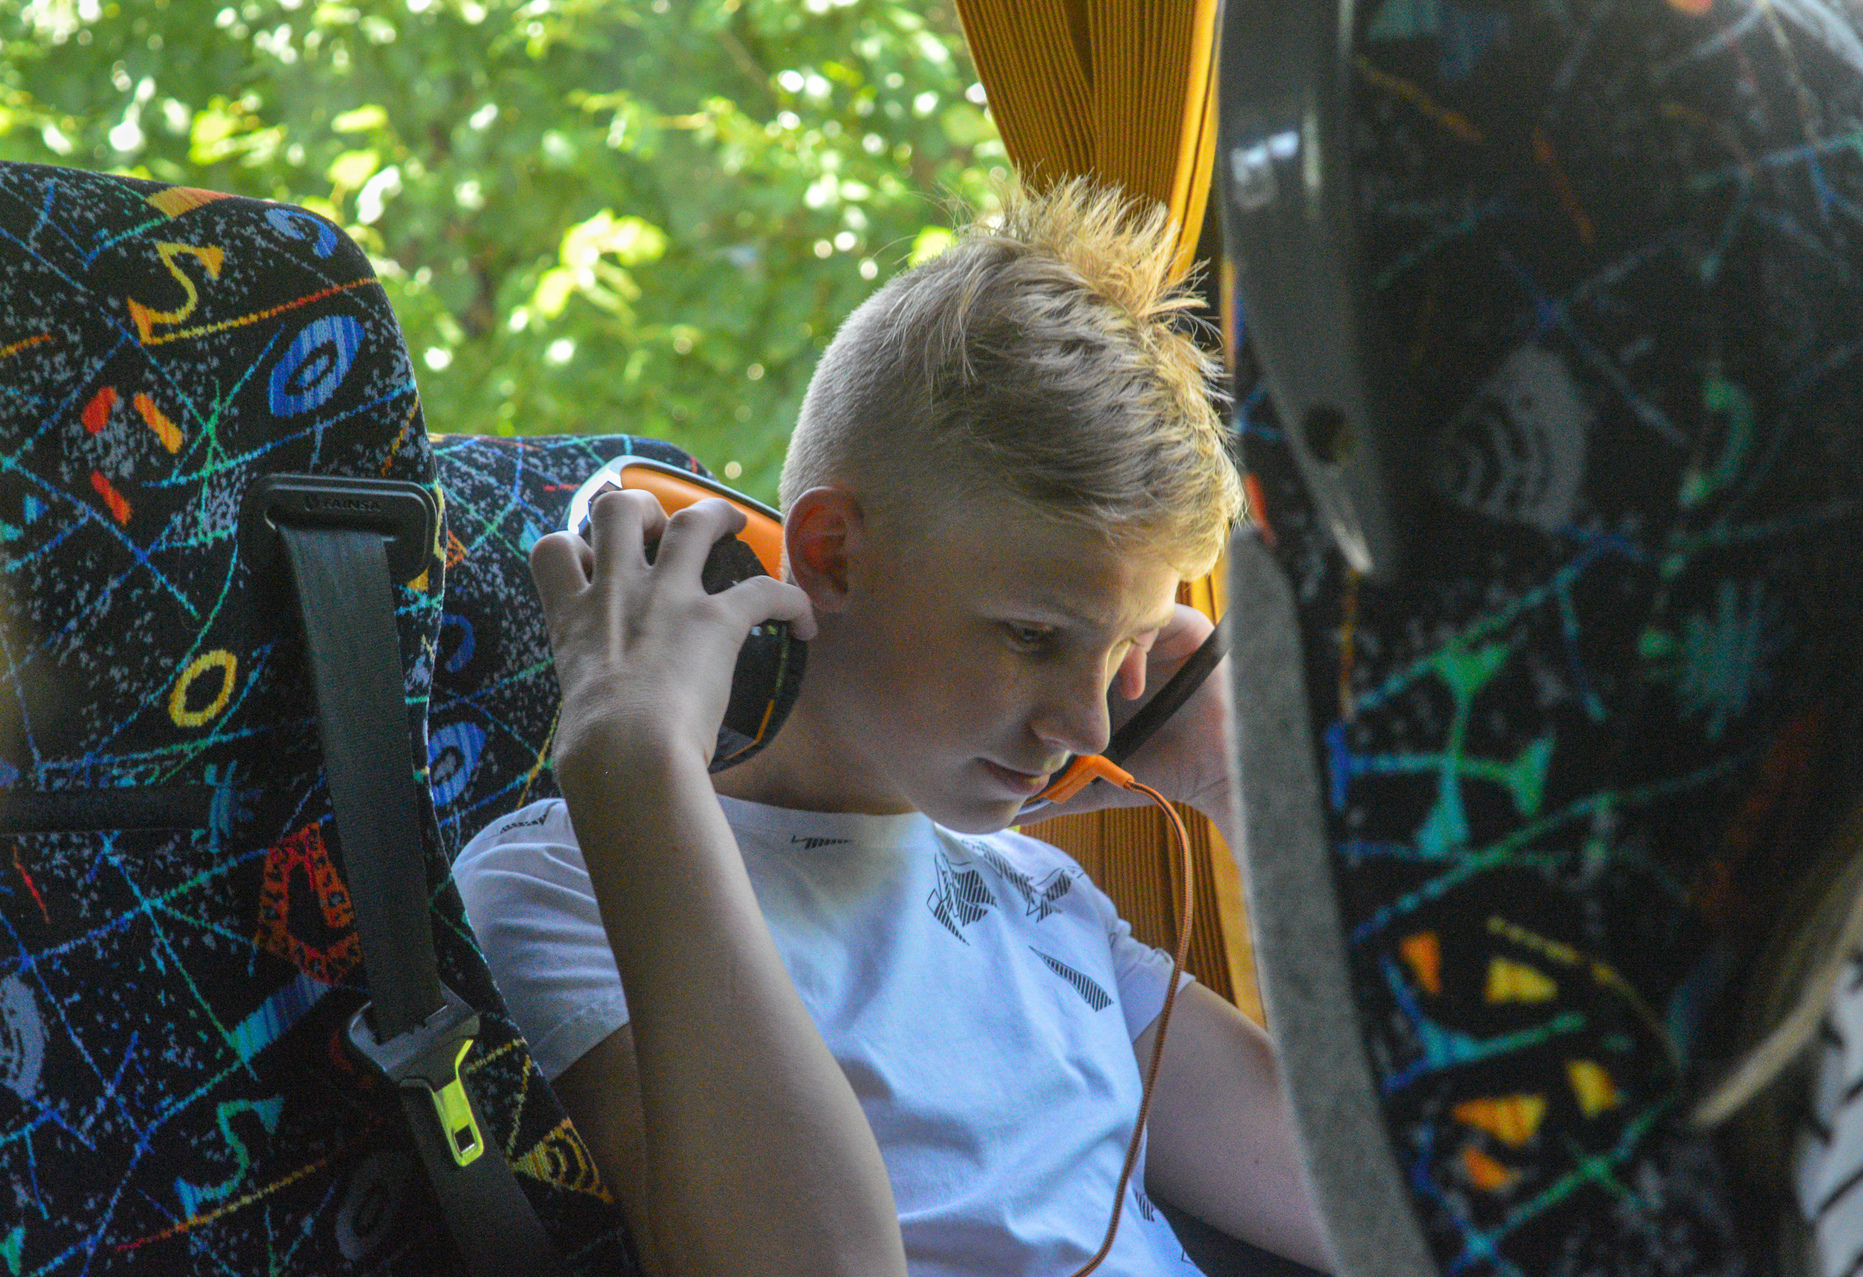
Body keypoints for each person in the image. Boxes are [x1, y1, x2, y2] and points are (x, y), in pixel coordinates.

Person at [452, 177, 1335, 1276]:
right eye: (1032, 635)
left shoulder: (1045, 899)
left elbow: (1395, 1202)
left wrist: (1240, 783)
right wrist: (636, 762)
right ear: (830, 556)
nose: (1086, 720)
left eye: (1124, 650)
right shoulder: (571, 877)